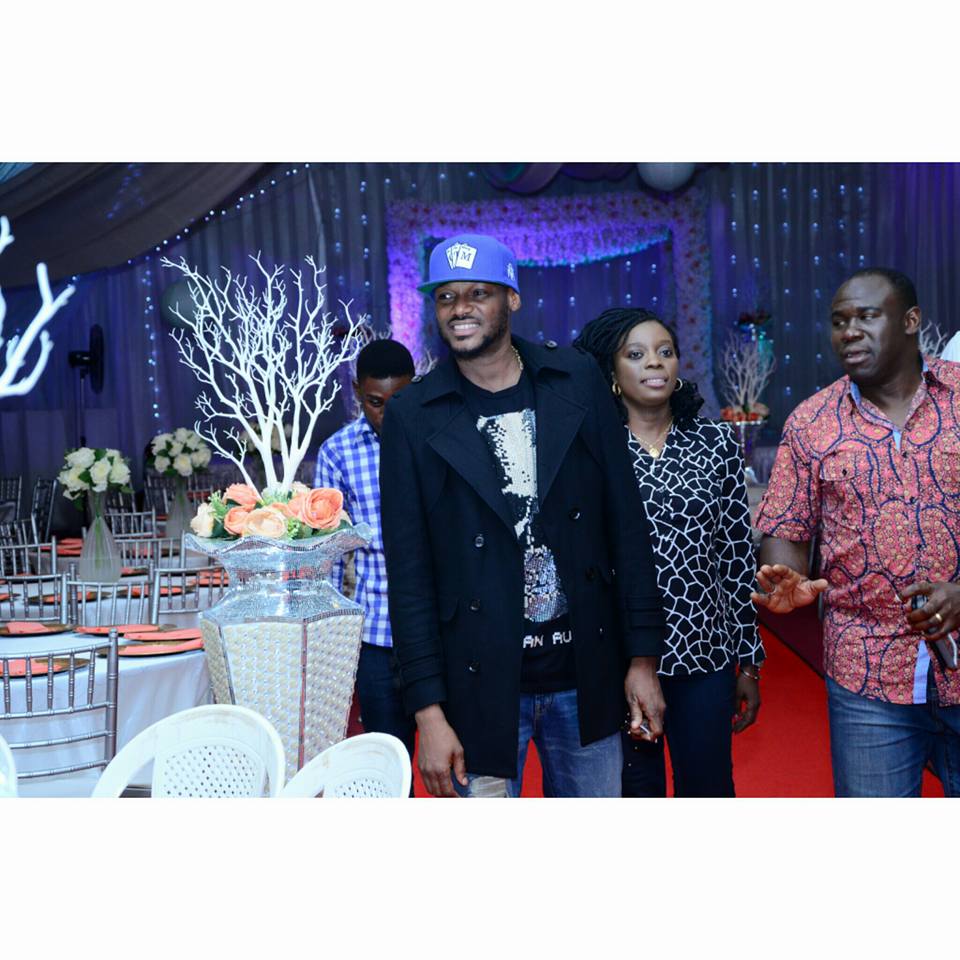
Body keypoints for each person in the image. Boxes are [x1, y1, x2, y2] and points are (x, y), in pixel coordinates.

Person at [379, 233, 667, 797]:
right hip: (476, 687)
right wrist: (427, 712)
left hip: (585, 673)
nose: (459, 308)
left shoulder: (576, 379)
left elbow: (626, 526)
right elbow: (409, 577)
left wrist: (642, 659)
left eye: (477, 293)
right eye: (446, 297)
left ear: (511, 298)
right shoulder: (412, 414)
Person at [753, 267, 960, 797]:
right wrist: (785, 574)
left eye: (867, 316)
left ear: (910, 321)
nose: (849, 332)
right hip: (866, 674)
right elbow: (785, 529)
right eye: (839, 321)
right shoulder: (811, 422)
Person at [574, 308, 763, 797]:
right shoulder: (592, 448)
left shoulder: (716, 442)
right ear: (611, 371)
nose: (654, 363)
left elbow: (736, 557)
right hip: (621, 658)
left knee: (708, 789)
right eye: (636, 355)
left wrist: (748, 661)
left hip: (705, 652)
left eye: (665, 352)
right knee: (636, 794)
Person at [315, 338, 417, 764]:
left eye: (400, 400)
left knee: (455, 764)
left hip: (441, 634)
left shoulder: (438, 437)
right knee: (385, 764)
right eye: (376, 402)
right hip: (376, 633)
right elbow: (330, 555)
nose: (388, 414)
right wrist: (330, 642)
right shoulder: (337, 452)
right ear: (357, 391)